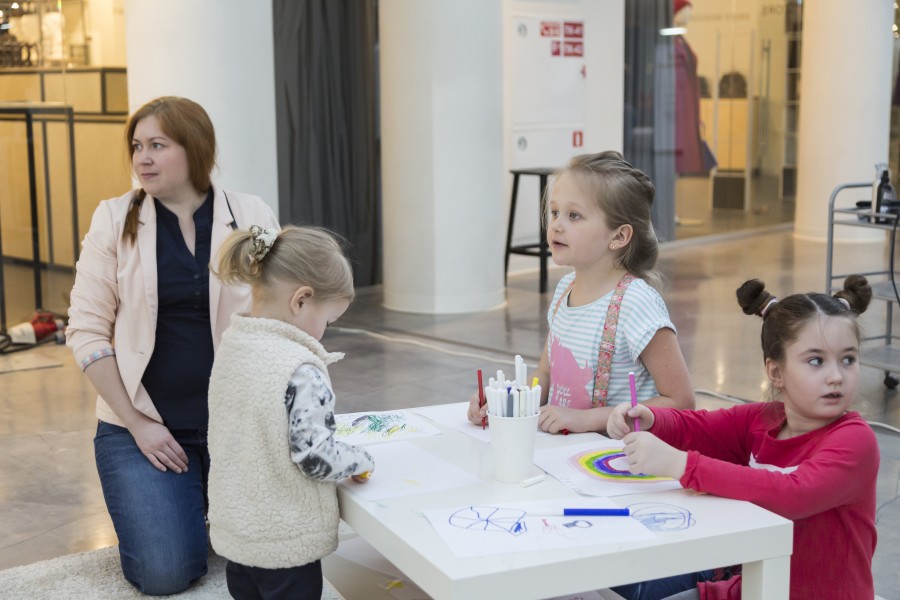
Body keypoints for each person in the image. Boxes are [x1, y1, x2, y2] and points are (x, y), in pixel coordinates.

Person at [65, 96, 280, 595]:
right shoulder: (113, 218)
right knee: (164, 572)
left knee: (275, 548)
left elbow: (281, 309)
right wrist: (138, 424)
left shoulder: (250, 213)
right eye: (137, 146)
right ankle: (188, 501)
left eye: (157, 146)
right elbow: (86, 330)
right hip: (142, 426)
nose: (142, 158)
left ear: (195, 148)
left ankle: (197, 500)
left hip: (236, 424)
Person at [607, 275, 879, 600]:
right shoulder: (763, 420)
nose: (836, 376)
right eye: (816, 361)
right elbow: (698, 428)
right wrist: (651, 419)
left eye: (848, 359)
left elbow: (793, 494)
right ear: (776, 372)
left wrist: (681, 465)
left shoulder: (855, 441)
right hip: (752, 588)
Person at [468, 151, 695, 433]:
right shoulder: (565, 289)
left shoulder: (637, 303)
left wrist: (588, 419)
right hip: (564, 453)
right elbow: (545, 374)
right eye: (555, 212)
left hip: (616, 456)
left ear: (619, 236)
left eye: (574, 215)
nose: (556, 225)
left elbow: (681, 402)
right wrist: (506, 401)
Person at [206, 225, 375, 600]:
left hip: (239, 534)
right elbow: (314, 457)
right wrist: (361, 459)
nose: (324, 332)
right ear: (301, 300)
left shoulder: (233, 344)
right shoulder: (299, 369)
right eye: (328, 321)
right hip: (284, 541)